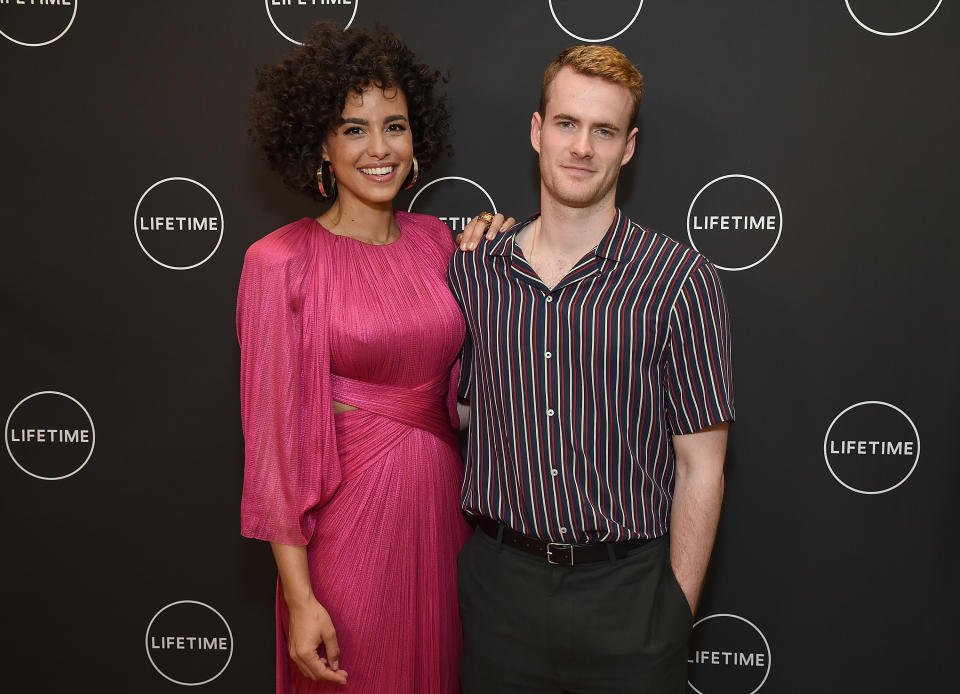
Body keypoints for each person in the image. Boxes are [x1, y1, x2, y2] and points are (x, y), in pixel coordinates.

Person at [448, 45, 735, 694]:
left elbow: (702, 466)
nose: (582, 147)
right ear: (536, 130)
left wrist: (674, 613)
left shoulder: (680, 280)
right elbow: (451, 408)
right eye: (567, 124)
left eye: (603, 131)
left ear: (628, 147)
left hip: (628, 595)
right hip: (500, 596)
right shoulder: (472, 269)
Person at [238, 23, 512, 693]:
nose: (380, 148)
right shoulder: (278, 262)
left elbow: (474, 380)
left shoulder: (441, 246)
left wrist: (498, 257)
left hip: (445, 522)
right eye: (354, 129)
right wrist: (300, 599)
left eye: (395, 125)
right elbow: (272, 451)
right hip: (344, 532)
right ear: (321, 148)